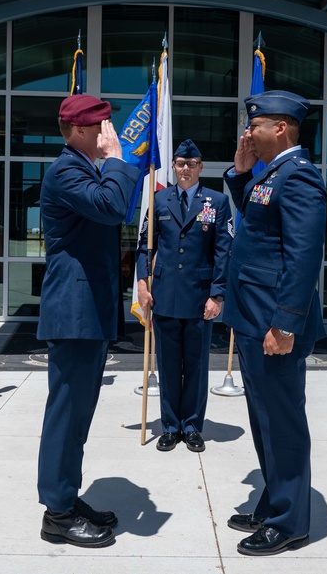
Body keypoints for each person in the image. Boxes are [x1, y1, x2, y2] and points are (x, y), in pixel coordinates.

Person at [221, 90, 327, 557]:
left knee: (281, 422)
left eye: (255, 126)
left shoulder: (301, 178)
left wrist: (285, 323)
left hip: (274, 323)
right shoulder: (272, 175)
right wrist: (241, 174)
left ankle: (290, 522)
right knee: (263, 419)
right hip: (252, 316)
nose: (249, 133)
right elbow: (258, 221)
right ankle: (274, 499)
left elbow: (303, 257)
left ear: (279, 128)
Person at [36, 94, 140, 548]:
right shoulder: (66, 171)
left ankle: (66, 496)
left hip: (88, 311)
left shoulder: (85, 169)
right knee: (67, 414)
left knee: (79, 415)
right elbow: (114, 207)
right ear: (81, 131)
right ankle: (57, 515)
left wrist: (113, 165)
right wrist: (117, 160)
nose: (110, 134)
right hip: (74, 313)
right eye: (103, 126)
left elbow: (115, 205)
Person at [135, 139, 232, 453]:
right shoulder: (159, 200)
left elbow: (223, 252)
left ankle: (191, 426)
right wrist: (142, 283)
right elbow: (144, 247)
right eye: (179, 163)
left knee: (196, 365)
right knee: (167, 364)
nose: (185, 169)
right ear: (173, 167)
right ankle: (170, 426)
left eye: (191, 164)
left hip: (199, 297)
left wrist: (217, 295)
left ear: (201, 167)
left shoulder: (216, 202)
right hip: (164, 295)